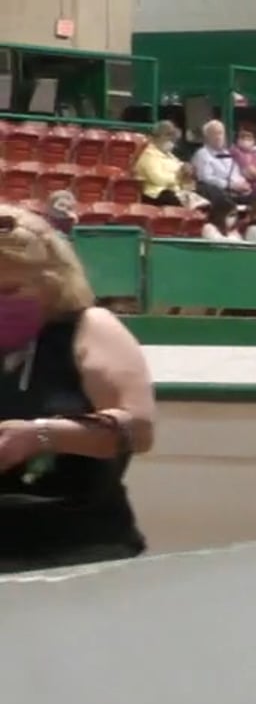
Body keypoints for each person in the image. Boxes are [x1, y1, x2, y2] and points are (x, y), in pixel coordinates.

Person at [0, 206, 155, 576]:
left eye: (9, 291)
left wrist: (41, 435)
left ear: (53, 282)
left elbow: (139, 428)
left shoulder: (91, 328)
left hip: (81, 552)